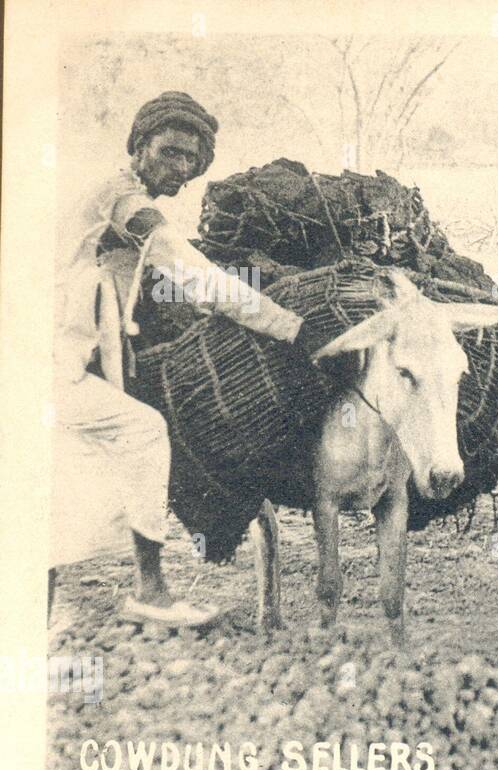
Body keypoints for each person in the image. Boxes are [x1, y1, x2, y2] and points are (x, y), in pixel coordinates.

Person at [50, 91, 332, 626]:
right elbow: (194, 276)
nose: (178, 167)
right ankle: (150, 592)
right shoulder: (122, 200)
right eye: (168, 152)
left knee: (58, 476)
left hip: (65, 354)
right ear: (139, 147)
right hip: (49, 359)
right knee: (143, 432)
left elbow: (133, 273)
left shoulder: (117, 197)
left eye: (189, 159)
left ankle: (101, 597)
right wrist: (292, 326)